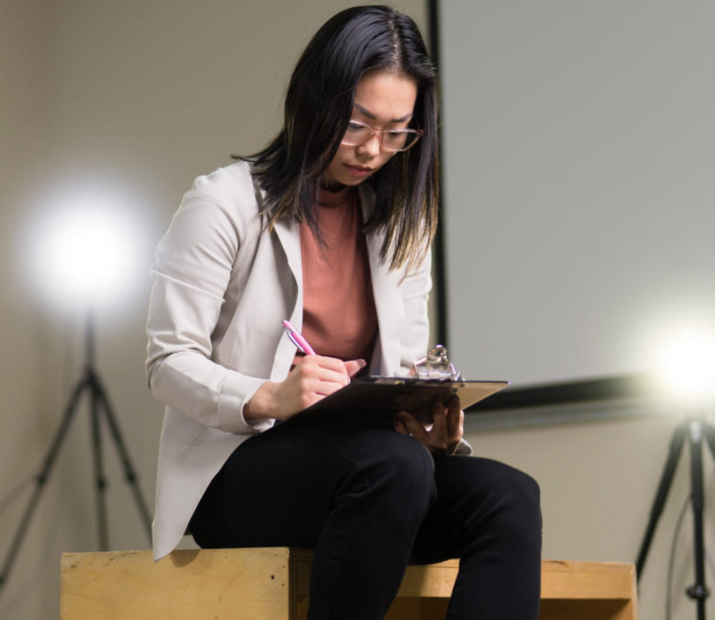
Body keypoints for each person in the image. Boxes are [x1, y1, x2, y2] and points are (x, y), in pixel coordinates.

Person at [144, 6, 541, 618]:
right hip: (238, 473)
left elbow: (402, 371)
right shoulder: (222, 203)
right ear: (315, 100)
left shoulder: (402, 226)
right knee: (395, 468)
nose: (373, 150)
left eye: (396, 131)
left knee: (509, 494)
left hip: (376, 476)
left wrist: (425, 424)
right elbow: (168, 363)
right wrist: (269, 397)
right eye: (357, 124)